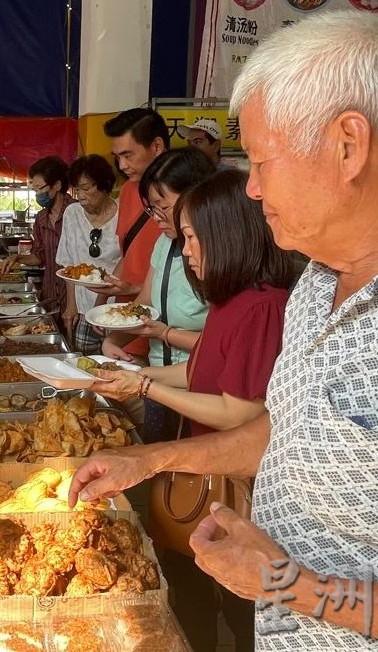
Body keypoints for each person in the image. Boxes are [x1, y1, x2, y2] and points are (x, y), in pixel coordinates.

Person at [70, 11, 378, 650]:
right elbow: (291, 428)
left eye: (261, 162)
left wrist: (294, 587)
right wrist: (149, 459)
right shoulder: (319, 275)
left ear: (348, 144)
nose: (251, 189)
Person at [89, 169, 294, 652]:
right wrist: (124, 380)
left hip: (235, 487)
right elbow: (198, 374)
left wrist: (144, 384)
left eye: (193, 238)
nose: (186, 252)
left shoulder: (262, 307)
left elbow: (237, 413)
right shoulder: (227, 301)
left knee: (239, 607)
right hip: (199, 469)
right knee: (193, 590)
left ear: (228, 235)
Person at [100, 148, 215, 442]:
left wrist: (166, 333)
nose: (156, 219)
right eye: (151, 209)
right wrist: (115, 339)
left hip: (201, 389)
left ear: (197, 198)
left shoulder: (215, 257)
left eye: (163, 207)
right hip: (155, 378)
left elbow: (225, 348)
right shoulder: (165, 245)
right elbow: (145, 305)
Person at [90, 108, 170, 361]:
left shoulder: (186, 195)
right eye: (117, 157)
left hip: (166, 332)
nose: (122, 165)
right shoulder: (127, 191)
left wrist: (136, 289)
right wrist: (103, 297)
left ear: (156, 146)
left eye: (128, 155)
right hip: (126, 324)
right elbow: (128, 252)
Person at [54, 154, 122, 352]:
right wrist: (71, 305)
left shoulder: (123, 213)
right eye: (76, 189)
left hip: (116, 311)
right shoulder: (72, 214)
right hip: (84, 309)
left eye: (86, 188)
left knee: (116, 365)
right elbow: (68, 265)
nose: (80, 195)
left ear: (104, 186)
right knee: (85, 363)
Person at [0, 156, 75, 316]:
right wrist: (17, 258)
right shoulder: (41, 218)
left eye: (41, 189)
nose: (38, 195)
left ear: (57, 185)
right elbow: (39, 257)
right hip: (50, 296)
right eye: (35, 190)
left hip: (77, 299)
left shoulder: (77, 212)